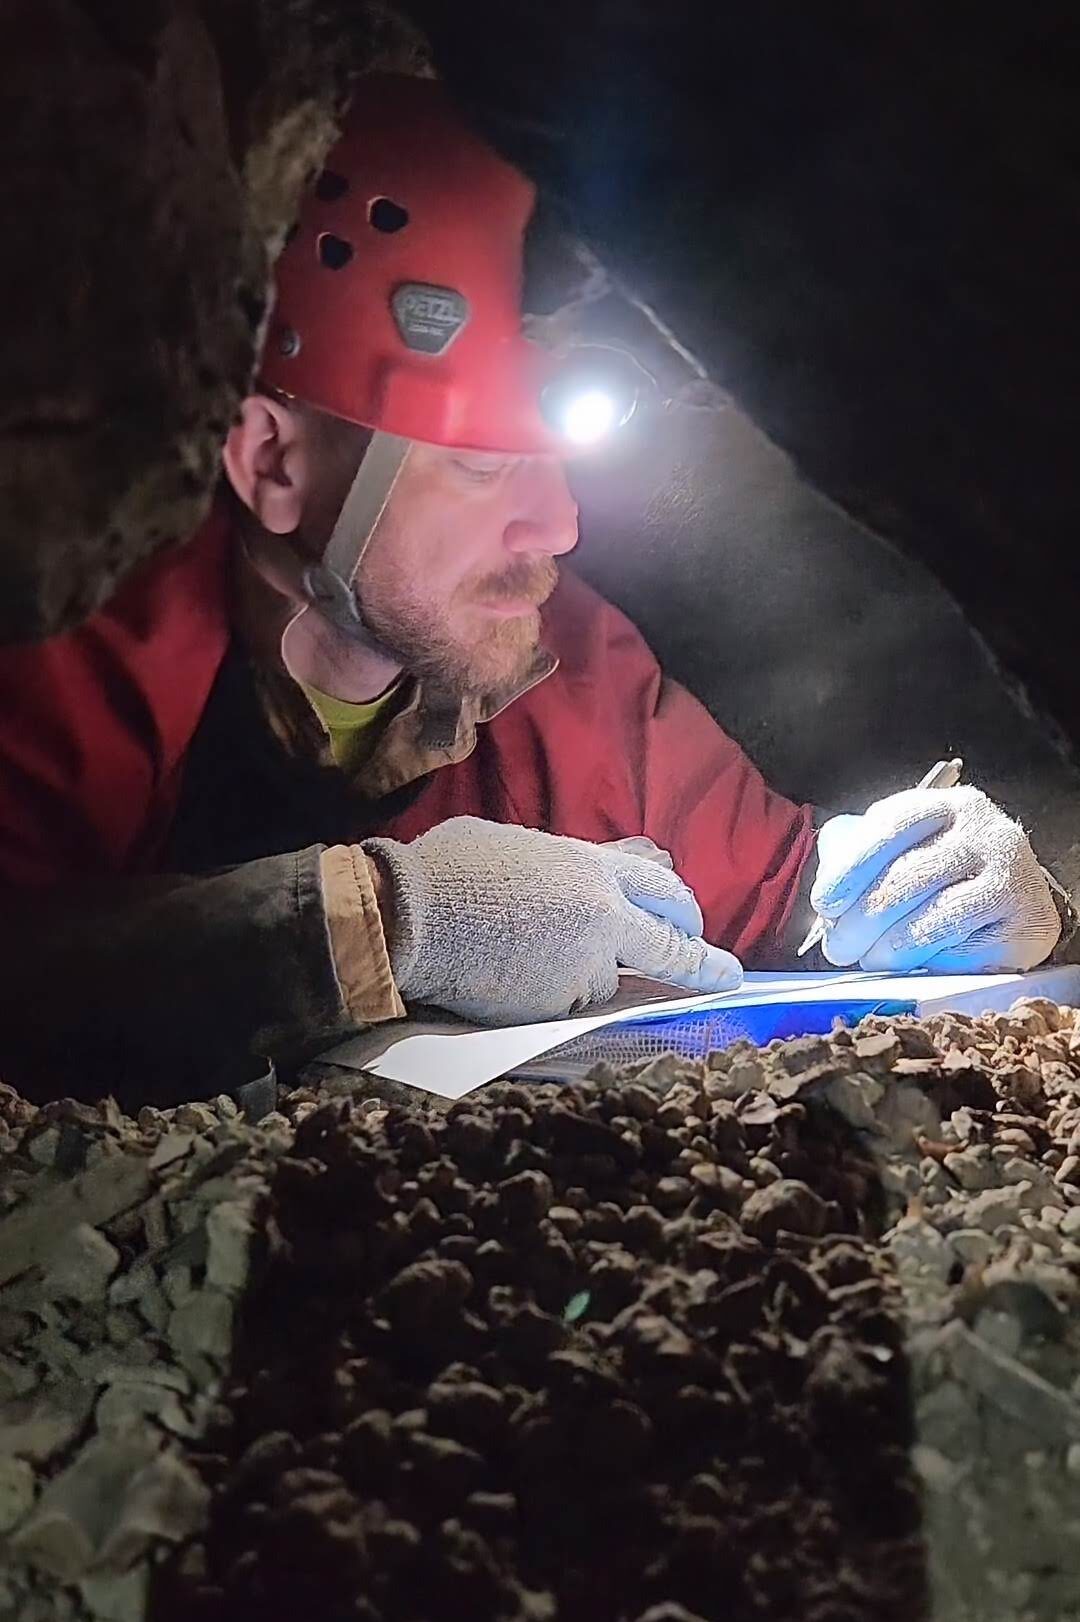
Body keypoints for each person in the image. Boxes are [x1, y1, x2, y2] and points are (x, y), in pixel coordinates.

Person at [0, 77, 1069, 1103]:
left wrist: (950, 889)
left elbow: (787, 892)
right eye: (479, 462)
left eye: (553, 462)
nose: (558, 525)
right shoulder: (70, 656)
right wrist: (371, 922)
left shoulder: (555, 666)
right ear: (272, 463)